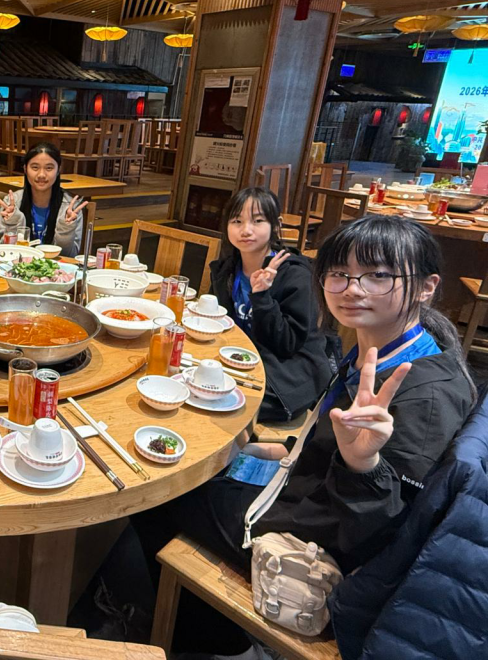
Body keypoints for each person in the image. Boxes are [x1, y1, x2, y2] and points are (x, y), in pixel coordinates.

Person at [134, 215, 476, 579]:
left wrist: (363, 465)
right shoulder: (375, 352)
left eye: (378, 275)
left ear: (426, 287)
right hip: (301, 488)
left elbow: (384, 538)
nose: (352, 289)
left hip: (308, 542)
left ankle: (147, 605)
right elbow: (323, 445)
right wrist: (266, 449)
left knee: (157, 494)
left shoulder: (428, 395)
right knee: (192, 461)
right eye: (340, 273)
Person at [209, 187, 332, 422]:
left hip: (284, 376)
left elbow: (287, 344)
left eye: (258, 221)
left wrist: (262, 296)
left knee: (218, 399)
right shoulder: (227, 269)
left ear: (276, 225)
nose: (246, 230)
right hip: (241, 362)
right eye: (237, 221)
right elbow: (217, 321)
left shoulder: (296, 275)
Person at [0, 143, 88, 257]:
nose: (41, 175)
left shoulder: (71, 207)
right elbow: (5, 253)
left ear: (58, 170)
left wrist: (66, 229)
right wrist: (13, 224)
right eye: (35, 167)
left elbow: (69, 255)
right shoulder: (11, 203)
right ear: (25, 169)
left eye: (49, 168)